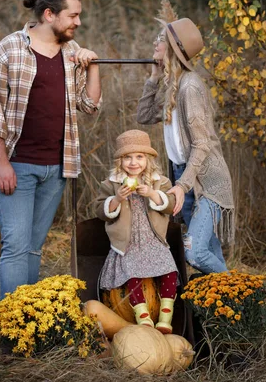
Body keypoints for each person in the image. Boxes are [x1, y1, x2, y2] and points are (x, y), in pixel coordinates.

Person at [0, 0, 102, 299]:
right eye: (73, 16)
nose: (78, 22)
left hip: (57, 168)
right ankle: (11, 326)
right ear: (49, 14)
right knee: (16, 245)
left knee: (33, 248)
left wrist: (93, 68)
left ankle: (28, 320)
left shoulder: (73, 53)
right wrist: (2, 163)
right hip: (17, 166)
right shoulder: (8, 50)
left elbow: (89, 107)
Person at [137, 18, 235, 275]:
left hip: (206, 180)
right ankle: (233, 309)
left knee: (193, 251)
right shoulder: (174, 85)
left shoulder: (189, 87)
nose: (155, 43)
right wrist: (154, 78)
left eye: (160, 39)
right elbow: (144, 116)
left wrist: (182, 186)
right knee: (209, 251)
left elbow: (202, 145)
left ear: (171, 47)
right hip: (185, 175)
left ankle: (239, 291)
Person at [96, 129, 178, 334]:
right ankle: (143, 317)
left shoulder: (160, 181)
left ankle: (165, 317)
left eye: (139, 157)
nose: (134, 163)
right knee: (131, 272)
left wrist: (152, 193)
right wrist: (117, 199)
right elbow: (99, 210)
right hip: (128, 243)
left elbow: (170, 205)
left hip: (153, 240)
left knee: (169, 269)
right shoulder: (111, 184)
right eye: (127, 158)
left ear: (148, 159)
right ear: (119, 161)